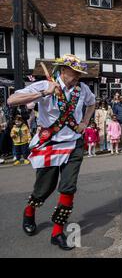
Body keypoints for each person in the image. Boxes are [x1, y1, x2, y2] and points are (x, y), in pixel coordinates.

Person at [7, 54, 96, 250]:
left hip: (73, 144)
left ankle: (57, 232)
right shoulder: (43, 86)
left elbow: (92, 103)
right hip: (50, 144)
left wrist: (84, 122)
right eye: (75, 73)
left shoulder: (83, 89)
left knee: (68, 188)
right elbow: (12, 100)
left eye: (80, 73)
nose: (78, 77)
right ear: (63, 71)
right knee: (43, 189)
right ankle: (29, 211)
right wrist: (43, 94)